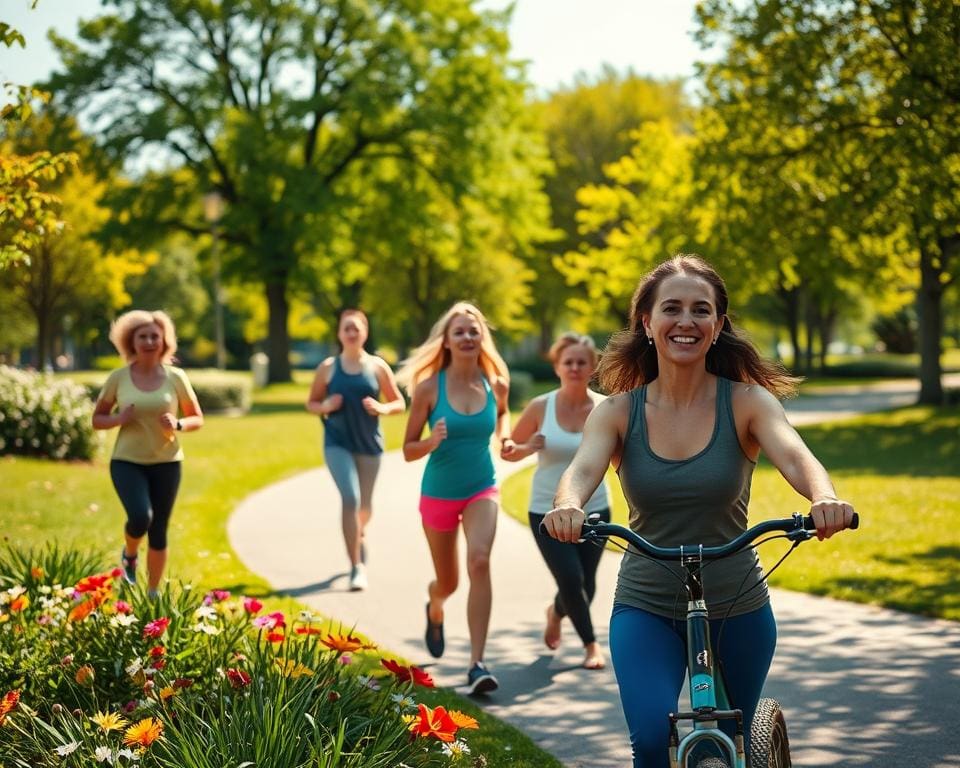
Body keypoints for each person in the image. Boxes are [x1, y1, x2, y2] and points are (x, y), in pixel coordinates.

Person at [543, 255, 856, 767]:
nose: (686, 321)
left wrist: (823, 498)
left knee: (737, 743)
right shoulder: (618, 412)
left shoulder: (748, 402)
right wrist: (568, 506)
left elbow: (797, 454)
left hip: (739, 604)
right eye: (671, 308)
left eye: (700, 310)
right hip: (647, 605)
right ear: (646, 322)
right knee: (649, 739)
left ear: (717, 326)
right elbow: (579, 471)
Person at [397, 302, 510, 694]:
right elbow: (407, 448)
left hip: (482, 486)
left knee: (479, 561)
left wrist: (507, 439)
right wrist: (431, 440)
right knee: (448, 581)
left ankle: (477, 663)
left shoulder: (496, 383)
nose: (467, 337)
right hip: (439, 494)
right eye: (458, 331)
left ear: (483, 338)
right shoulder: (429, 388)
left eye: (473, 330)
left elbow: (501, 420)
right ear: (446, 340)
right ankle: (435, 605)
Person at [501, 332, 610, 670]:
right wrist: (523, 448)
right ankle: (591, 645)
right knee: (571, 579)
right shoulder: (540, 407)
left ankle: (555, 612)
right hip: (546, 511)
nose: (575, 367)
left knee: (587, 584)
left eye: (582, 362)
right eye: (568, 362)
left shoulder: (605, 409)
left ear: (592, 367)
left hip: (595, 509)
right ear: (558, 367)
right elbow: (507, 451)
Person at [92, 310, 204, 598]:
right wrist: (119, 419)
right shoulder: (119, 378)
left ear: (164, 340)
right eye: (143, 336)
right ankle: (130, 554)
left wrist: (178, 423)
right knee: (141, 517)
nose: (150, 341)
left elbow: (196, 418)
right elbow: (97, 420)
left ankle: (152, 594)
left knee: (159, 530)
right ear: (132, 342)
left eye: (155, 335)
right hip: (127, 461)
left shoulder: (176, 377)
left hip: (167, 462)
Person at [306, 308, 405, 591]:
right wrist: (325, 406)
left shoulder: (377, 366)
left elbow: (398, 402)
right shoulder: (328, 367)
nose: (351, 333)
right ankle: (355, 567)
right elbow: (311, 403)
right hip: (337, 442)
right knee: (350, 499)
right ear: (339, 333)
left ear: (364, 333)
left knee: (365, 507)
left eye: (356, 328)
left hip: (369, 445)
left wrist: (382, 408)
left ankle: (359, 533)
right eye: (346, 328)